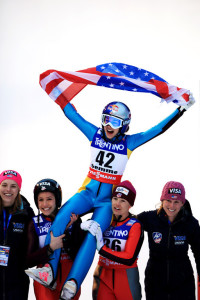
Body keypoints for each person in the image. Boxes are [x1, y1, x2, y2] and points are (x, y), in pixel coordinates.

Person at [26, 94, 194, 299]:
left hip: (106, 201)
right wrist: (55, 91)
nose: (108, 125)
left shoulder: (129, 142)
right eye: (106, 118)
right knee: (61, 218)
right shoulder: (94, 134)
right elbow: (72, 114)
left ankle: (73, 282)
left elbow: (156, 130)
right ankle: (49, 272)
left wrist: (180, 110)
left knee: (93, 234)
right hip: (86, 194)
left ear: (124, 126)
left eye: (115, 121)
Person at [137, 181, 200, 300]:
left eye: (176, 202)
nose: (172, 206)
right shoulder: (149, 218)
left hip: (183, 283)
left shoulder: (190, 223)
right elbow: (126, 221)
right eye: (168, 201)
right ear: (162, 200)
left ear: (182, 203)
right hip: (155, 281)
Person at [81, 180, 144, 300]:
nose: (117, 204)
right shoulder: (105, 220)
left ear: (130, 205)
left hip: (126, 278)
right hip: (103, 275)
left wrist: (102, 249)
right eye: (115, 199)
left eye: (123, 201)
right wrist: (81, 227)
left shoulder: (135, 225)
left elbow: (129, 258)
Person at [25, 178, 85, 300]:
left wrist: (67, 233)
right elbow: (28, 260)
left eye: (49, 199)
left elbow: (80, 254)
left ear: (57, 200)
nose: (45, 204)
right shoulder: (34, 223)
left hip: (69, 277)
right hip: (44, 281)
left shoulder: (72, 218)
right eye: (40, 200)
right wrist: (50, 248)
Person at [0, 170, 35, 300]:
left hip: (17, 284)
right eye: (4, 185)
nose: (8, 189)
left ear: (18, 188)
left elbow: (36, 243)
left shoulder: (26, 214)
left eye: (13, 186)